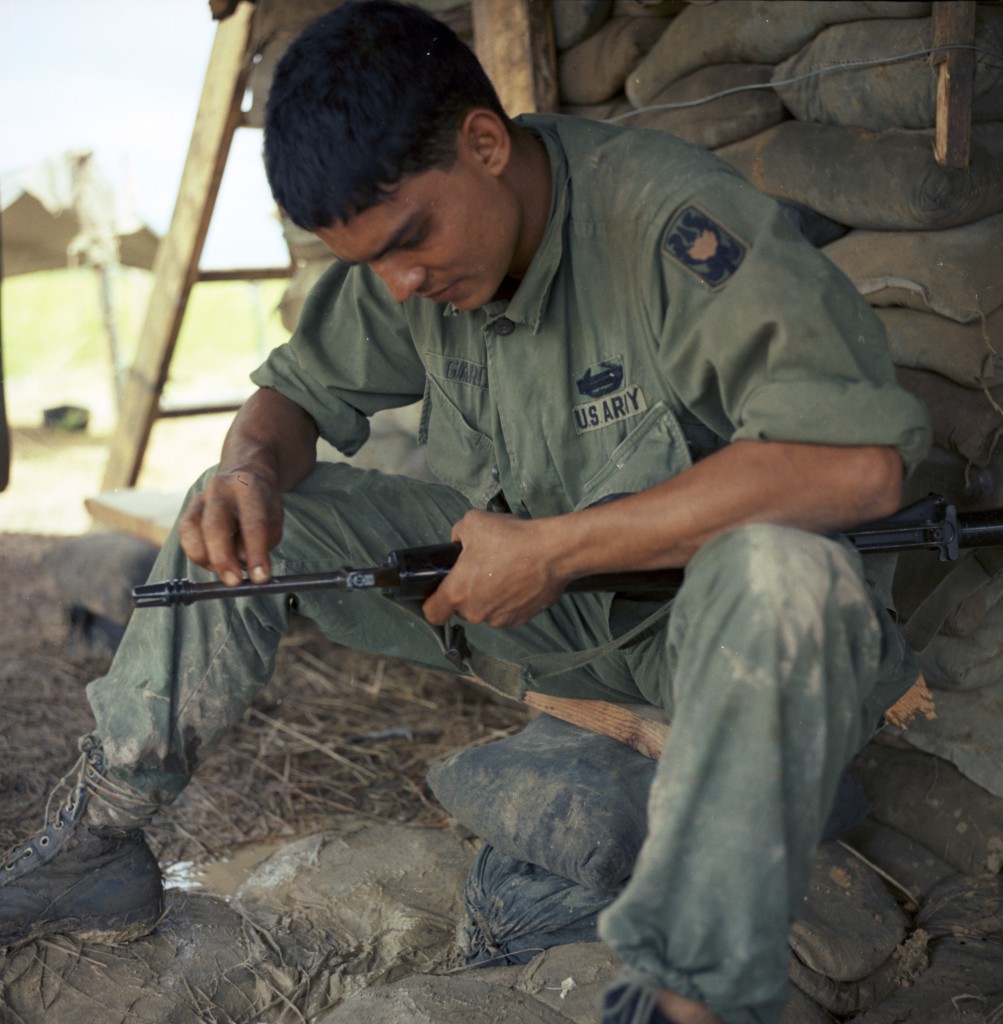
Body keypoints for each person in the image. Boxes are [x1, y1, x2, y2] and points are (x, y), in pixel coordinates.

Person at [0, 2, 932, 1022]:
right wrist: (250, 468)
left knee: (779, 570)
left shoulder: (663, 222)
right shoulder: (415, 265)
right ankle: (98, 833)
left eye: (409, 242)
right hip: (551, 620)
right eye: (370, 264)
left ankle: (688, 996)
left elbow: (856, 466)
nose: (399, 286)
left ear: (484, 143)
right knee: (234, 513)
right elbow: (292, 394)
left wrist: (552, 548)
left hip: (726, 645)